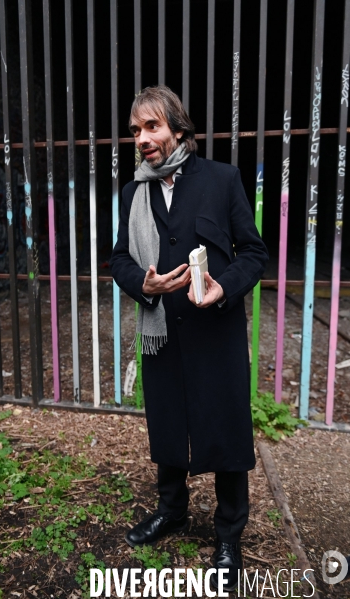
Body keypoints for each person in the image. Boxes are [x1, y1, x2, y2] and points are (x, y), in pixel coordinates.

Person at [110, 85, 268, 593]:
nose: (142, 139)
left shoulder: (221, 180)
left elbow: (253, 252)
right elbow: (119, 259)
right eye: (135, 130)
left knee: (223, 427)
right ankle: (172, 511)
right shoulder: (134, 192)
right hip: (162, 332)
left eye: (151, 127)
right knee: (168, 421)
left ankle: (228, 535)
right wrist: (143, 284)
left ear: (179, 129)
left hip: (214, 331)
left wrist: (225, 287)